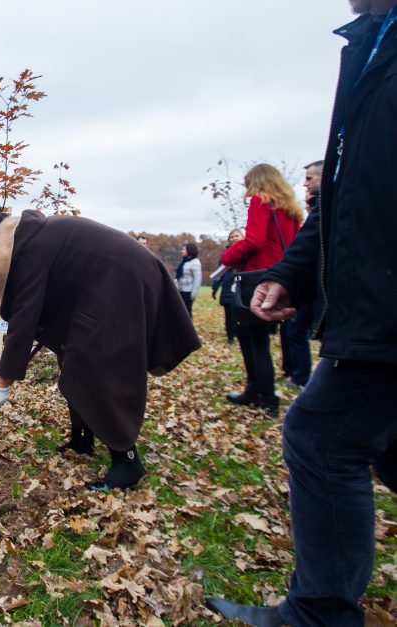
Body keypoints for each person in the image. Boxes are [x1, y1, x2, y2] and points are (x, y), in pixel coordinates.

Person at [207, 1, 397, 624]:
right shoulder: (369, 48)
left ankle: (319, 612)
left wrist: (232, 267)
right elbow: (343, 198)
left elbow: (255, 238)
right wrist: (292, 274)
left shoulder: (266, 203)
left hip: (380, 305)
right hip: (352, 295)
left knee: (320, 434)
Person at [0, 210, 201, 491]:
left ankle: (127, 462)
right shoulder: (32, 237)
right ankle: (82, 440)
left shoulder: (29, 248)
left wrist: (2, 382)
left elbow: (24, 318)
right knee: (72, 360)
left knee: (96, 366)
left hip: (124, 283)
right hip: (112, 282)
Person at [220, 164, 303, 417]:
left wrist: (229, 255)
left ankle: (264, 396)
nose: (246, 190)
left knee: (252, 340)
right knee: (259, 340)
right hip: (279, 277)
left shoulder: (261, 200)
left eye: (247, 184)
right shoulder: (291, 210)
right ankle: (256, 390)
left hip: (256, 277)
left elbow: (254, 239)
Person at [280, 160, 325, 389]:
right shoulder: (315, 211)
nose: (305, 184)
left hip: (312, 288)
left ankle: (300, 377)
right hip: (307, 285)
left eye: (310, 178)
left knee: (297, 331)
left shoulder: (329, 211)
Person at [211, 229, 245, 344]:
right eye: (231, 237)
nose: (234, 238)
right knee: (229, 315)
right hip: (228, 287)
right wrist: (215, 288)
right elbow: (219, 273)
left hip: (243, 285)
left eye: (237, 236)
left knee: (242, 314)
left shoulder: (248, 252)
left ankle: (241, 334)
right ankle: (230, 337)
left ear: (243, 237)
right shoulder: (225, 255)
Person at [174, 241, 202, 317]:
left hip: (188, 291)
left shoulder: (195, 262)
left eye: (184, 249)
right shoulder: (184, 261)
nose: (182, 251)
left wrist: (194, 294)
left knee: (186, 311)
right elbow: (178, 275)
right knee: (179, 310)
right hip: (180, 289)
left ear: (190, 250)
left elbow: (197, 279)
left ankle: (188, 328)